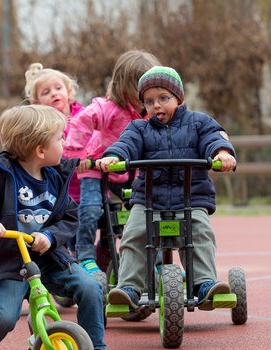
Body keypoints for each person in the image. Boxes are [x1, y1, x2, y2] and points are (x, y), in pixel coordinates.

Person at [0, 105, 136, 350]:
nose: (65, 143)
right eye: (59, 138)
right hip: (13, 262)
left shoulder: (55, 178)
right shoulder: (1, 177)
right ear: (39, 150)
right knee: (4, 317)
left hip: (49, 258)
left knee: (90, 287)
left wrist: (51, 234)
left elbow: (69, 217)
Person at [96, 65, 237, 311]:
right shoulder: (139, 128)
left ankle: (203, 283)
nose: (157, 105)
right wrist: (113, 157)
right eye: (149, 101)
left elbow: (214, 138)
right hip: (149, 200)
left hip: (191, 198)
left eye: (164, 98)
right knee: (135, 233)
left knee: (200, 232)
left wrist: (222, 152)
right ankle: (129, 287)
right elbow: (126, 144)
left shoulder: (199, 123)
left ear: (179, 98)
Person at [63, 50, 161, 278]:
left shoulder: (154, 113)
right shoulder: (110, 108)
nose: (144, 93)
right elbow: (82, 120)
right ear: (124, 85)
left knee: (147, 211)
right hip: (97, 168)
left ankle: (155, 261)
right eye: (139, 86)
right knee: (90, 210)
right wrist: (76, 154)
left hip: (130, 171)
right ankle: (85, 256)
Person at [24, 63, 84, 255]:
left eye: (58, 88)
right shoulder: (42, 127)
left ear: (69, 91)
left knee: (98, 224)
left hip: (90, 184)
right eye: (46, 92)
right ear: (37, 101)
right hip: (61, 191)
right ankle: (75, 259)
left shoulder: (85, 116)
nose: (54, 94)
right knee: (69, 230)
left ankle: (98, 258)